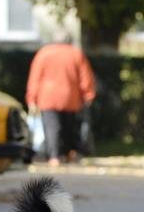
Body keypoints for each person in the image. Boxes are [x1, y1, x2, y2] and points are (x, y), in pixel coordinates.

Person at [26, 32, 96, 166]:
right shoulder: (76, 54)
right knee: (68, 127)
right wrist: (88, 95)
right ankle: (67, 153)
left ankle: (54, 156)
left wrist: (31, 98)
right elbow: (85, 77)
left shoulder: (44, 53)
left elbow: (35, 78)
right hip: (70, 97)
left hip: (47, 97)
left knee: (52, 127)